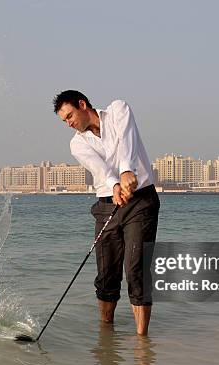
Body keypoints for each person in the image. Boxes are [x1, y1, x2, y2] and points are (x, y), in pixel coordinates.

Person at [53, 90, 160, 335]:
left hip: (141, 201)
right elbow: (99, 169)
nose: (69, 123)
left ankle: (142, 344)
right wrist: (115, 185)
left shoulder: (117, 110)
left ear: (82, 105)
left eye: (69, 116)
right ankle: (106, 338)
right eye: (64, 121)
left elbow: (127, 141)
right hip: (106, 205)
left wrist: (126, 171)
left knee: (136, 270)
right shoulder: (77, 143)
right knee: (107, 274)